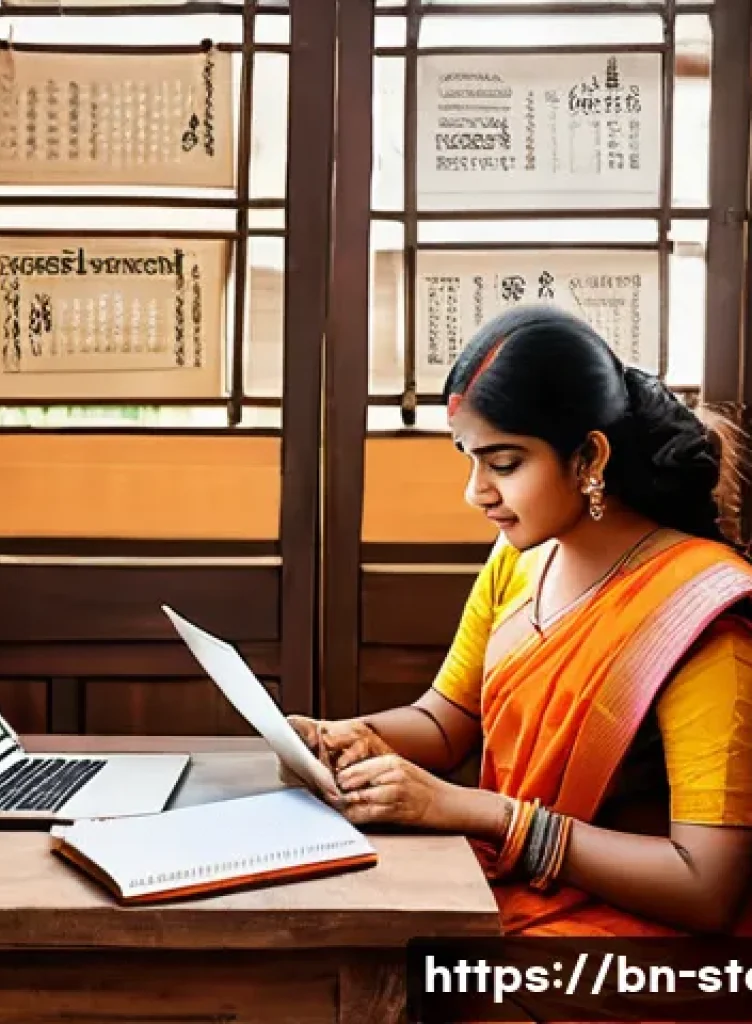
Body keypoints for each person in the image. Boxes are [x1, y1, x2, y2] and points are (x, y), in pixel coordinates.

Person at [290, 305, 752, 936]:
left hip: (640, 948)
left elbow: (706, 887)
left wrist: (480, 813)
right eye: (468, 458)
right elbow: (445, 722)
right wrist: (343, 736)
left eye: (503, 463)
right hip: (509, 890)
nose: (476, 490)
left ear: (590, 456)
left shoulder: (702, 612)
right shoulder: (518, 561)